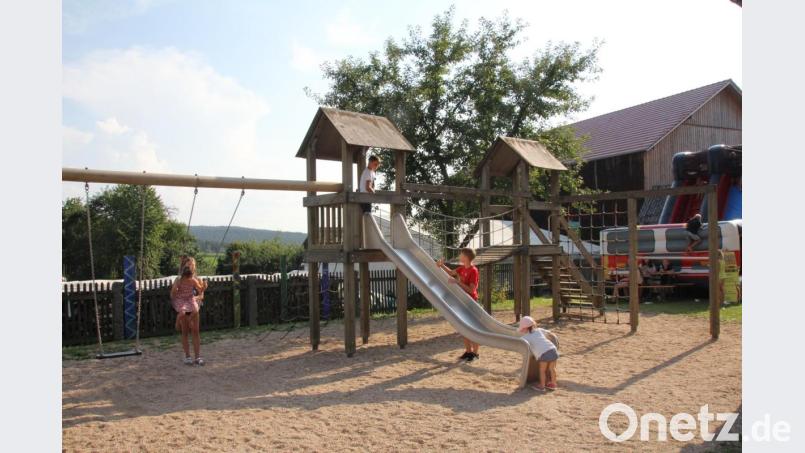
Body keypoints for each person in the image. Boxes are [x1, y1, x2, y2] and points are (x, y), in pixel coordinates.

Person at [436, 248, 480, 362]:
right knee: (463, 327)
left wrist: (457, 282)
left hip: (471, 302)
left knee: (473, 328)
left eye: (461, 254)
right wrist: (441, 265)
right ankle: (468, 352)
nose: (459, 256)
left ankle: (475, 353)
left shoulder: (473, 271)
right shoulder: (462, 268)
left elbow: (471, 290)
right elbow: (451, 273)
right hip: (462, 301)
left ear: (466, 257)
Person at [170, 256, 208, 366]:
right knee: (185, 331)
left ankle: (198, 357)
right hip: (185, 306)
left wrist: (193, 298)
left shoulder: (197, 279)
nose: (191, 266)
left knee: (195, 331)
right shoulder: (179, 279)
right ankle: (187, 357)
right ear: (184, 266)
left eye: (193, 264)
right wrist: (180, 295)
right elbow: (173, 295)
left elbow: (201, 296)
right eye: (189, 264)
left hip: (193, 307)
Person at [518, 316, 559, 391]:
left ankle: (542, 386)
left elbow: (520, 342)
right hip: (553, 349)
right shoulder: (539, 330)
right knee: (552, 369)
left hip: (543, 353)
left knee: (542, 370)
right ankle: (553, 384)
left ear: (525, 328)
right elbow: (549, 333)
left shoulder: (525, 337)